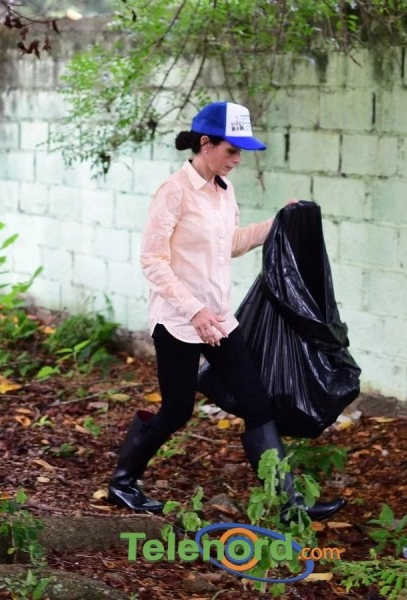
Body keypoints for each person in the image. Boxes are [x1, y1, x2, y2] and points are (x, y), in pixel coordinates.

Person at [108, 101, 346, 522]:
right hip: (179, 321)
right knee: (177, 411)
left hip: (218, 319)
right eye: (232, 150)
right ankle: (122, 483)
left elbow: (229, 244)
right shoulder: (174, 192)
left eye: (240, 152)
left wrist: (278, 222)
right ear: (206, 144)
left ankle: (289, 505)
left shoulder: (224, 191)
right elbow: (152, 261)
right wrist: (194, 311)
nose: (237, 160)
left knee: (257, 404)